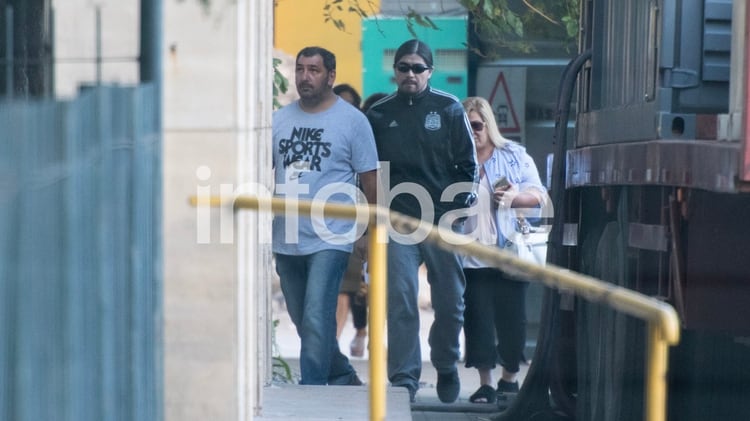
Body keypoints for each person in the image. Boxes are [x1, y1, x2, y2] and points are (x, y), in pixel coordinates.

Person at [365, 39, 478, 403]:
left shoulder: (448, 109)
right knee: (400, 300)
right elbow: (372, 173)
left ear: (430, 71)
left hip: (442, 221)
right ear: (394, 71)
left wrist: (454, 212)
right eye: (403, 67)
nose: (410, 74)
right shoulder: (379, 114)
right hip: (397, 222)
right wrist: (377, 219)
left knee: (451, 300)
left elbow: (468, 165)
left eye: (417, 68)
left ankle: (445, 362)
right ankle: (404, 380)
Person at [271, 46, 379, 385]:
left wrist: (370, 235)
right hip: (286, 234)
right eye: (300, 69)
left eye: (314, 70)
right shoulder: (279, 118)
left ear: (330, 76)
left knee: (317, 316)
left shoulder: (352, 121)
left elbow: (371, 181)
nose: (305, 76)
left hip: (332, 235)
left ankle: (313, 390)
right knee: (303, 319)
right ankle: (342, 372)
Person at [460, 96, 547, 403]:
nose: (473, 132)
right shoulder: (454, 157)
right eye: (466, 126)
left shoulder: (513, 155)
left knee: (513, 322)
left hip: (510, 254)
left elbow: (539, 194)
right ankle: (486, 382)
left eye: (477, 125)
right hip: (471, 256)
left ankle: (509, 378)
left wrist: (515, 198)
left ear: (488, 125)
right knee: (478, 321)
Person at [332, 83, 370, 357]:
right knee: (344, 287)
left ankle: (362, 331)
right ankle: (333, 344)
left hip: (363, 220)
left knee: (363, 287)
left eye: (349, 104)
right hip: (333, 223)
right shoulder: (327, 135)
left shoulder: (364, 136)